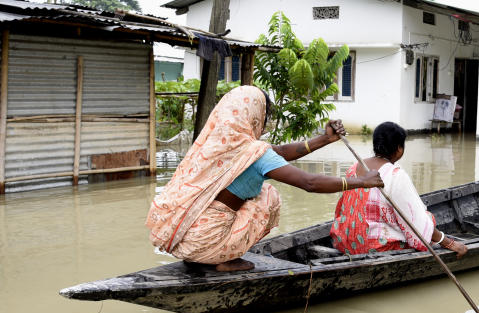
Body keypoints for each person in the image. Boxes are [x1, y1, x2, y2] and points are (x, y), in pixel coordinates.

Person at [146, 85, 383, 272]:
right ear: (254, 115)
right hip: (206, 245)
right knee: (267, 196)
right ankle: (223, 257)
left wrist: (324, 139)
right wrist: (362, 182)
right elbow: (308, 183)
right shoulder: (253, 153)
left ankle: (210, 251)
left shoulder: (215, 146)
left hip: (184, 242)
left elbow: (277, 153)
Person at [330, 121, 468, 257]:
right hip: (371, 248)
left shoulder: (353, 167)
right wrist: (449, 243)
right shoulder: (395, 175)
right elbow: (416, 224)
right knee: (426, 219)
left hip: (344, 241)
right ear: (399, 149)